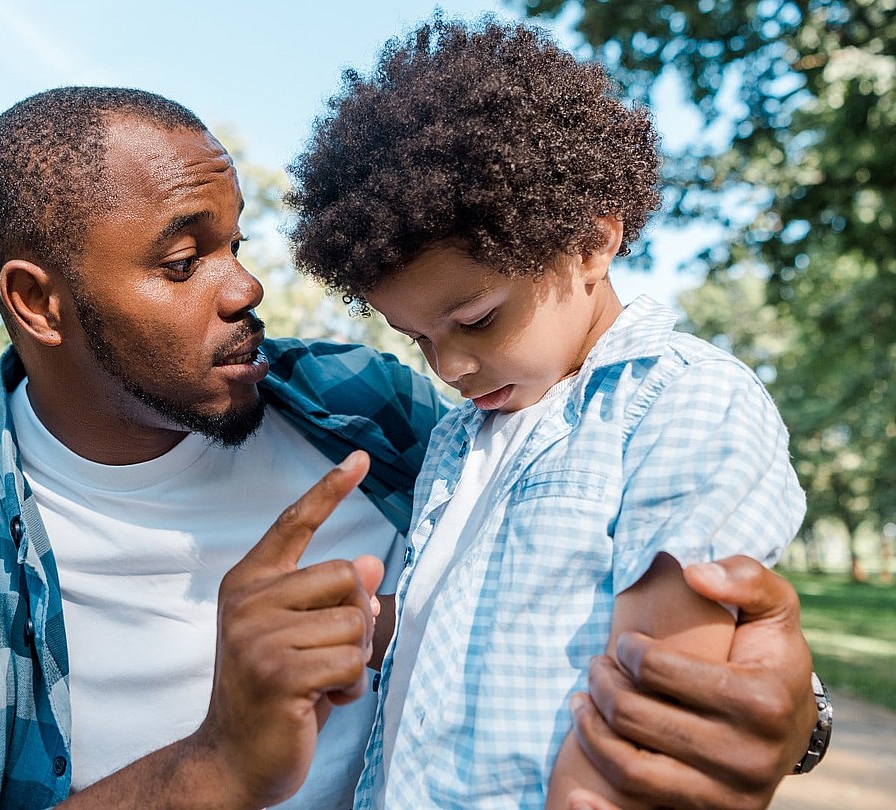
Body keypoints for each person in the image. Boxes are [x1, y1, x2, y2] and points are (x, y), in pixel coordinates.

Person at [0, 86, 823, 810]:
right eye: (182, 261)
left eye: (235, 242)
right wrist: (212, 763)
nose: (247, 286)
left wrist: (778, 719)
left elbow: (555, 593)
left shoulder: (375, 412)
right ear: (39, 302)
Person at [286, 16, 814, 810]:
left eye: (477, 320)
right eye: (416, 337)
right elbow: (482, 613)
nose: (450, 367)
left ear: (591, 242)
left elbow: (656, 698)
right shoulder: (462, 434)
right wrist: (362, 623)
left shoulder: (683, 401)